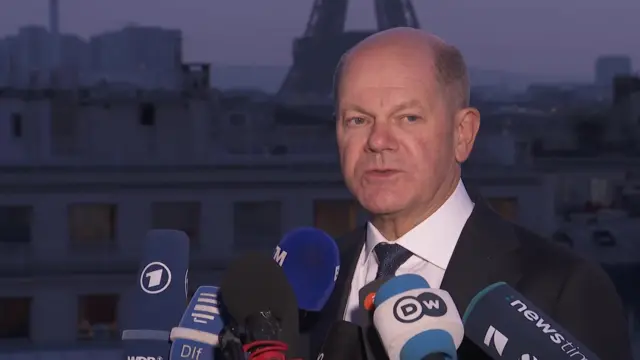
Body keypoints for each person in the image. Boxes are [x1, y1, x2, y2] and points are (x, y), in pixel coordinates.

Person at [308, 27, 632, 360]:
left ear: (463, 134)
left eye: (408, 118)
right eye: (358, 120)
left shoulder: (564, 288)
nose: (378, 141)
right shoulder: (308, 282)